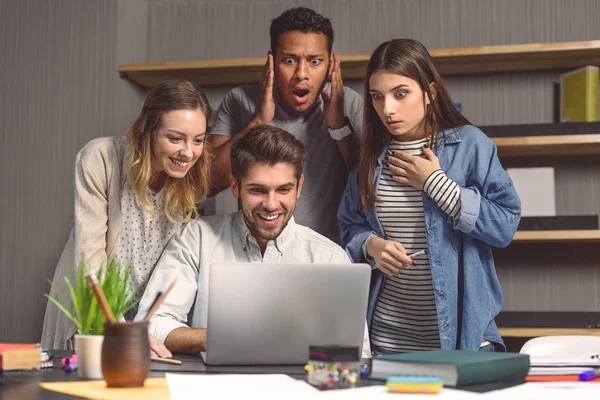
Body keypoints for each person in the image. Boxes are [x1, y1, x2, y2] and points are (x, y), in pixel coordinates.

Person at [338, 39, 521, 354]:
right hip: (385, 341)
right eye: (377, 97)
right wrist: (372, 246)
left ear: (430, 92)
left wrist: (435, 183)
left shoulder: (470, 146)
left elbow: (505, 224)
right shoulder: (369, 158)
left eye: (400, 93)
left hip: (461, 341)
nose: (388, 109)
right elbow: (348, 228)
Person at [134, 125, 370, 357]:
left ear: (299, 187)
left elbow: (360, 348)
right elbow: (153, 323)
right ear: (235, 187)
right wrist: (229, 338)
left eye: (283, 190)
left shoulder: (329, 258)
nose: (271, 204)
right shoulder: (197, 238)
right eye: (258, 190)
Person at [41, 79, 213, 358]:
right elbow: (91, 266)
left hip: (144, 325)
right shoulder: (100, 158)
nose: (188, 152)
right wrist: (122, 331)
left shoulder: (189, 179)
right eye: (175, 138)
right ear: (147, 130)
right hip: (92, 316)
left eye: (198, 140)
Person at [208, 6, 363, 243]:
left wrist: (339, 127)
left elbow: (370, 190)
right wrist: (258, 121)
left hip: (330, 255)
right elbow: (204, 183)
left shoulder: (347, 102)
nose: (301, 73)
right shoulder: (239, 101)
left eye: (314, 61)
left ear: (331, 64)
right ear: (272, 61)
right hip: (256, 253)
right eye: (289, 60)